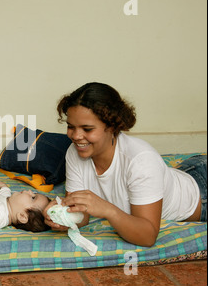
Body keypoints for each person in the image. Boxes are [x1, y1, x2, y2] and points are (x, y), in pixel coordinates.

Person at [43, 82, 207, 247]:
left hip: (202, 193)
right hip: (187, 171)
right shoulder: (74, 152)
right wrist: (64, 218)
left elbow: (147, 237)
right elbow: (82, 214)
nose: (76, 136)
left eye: (87, 129)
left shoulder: (141, 160)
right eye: (71, 127)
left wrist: (107, 210)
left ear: (112, 126)